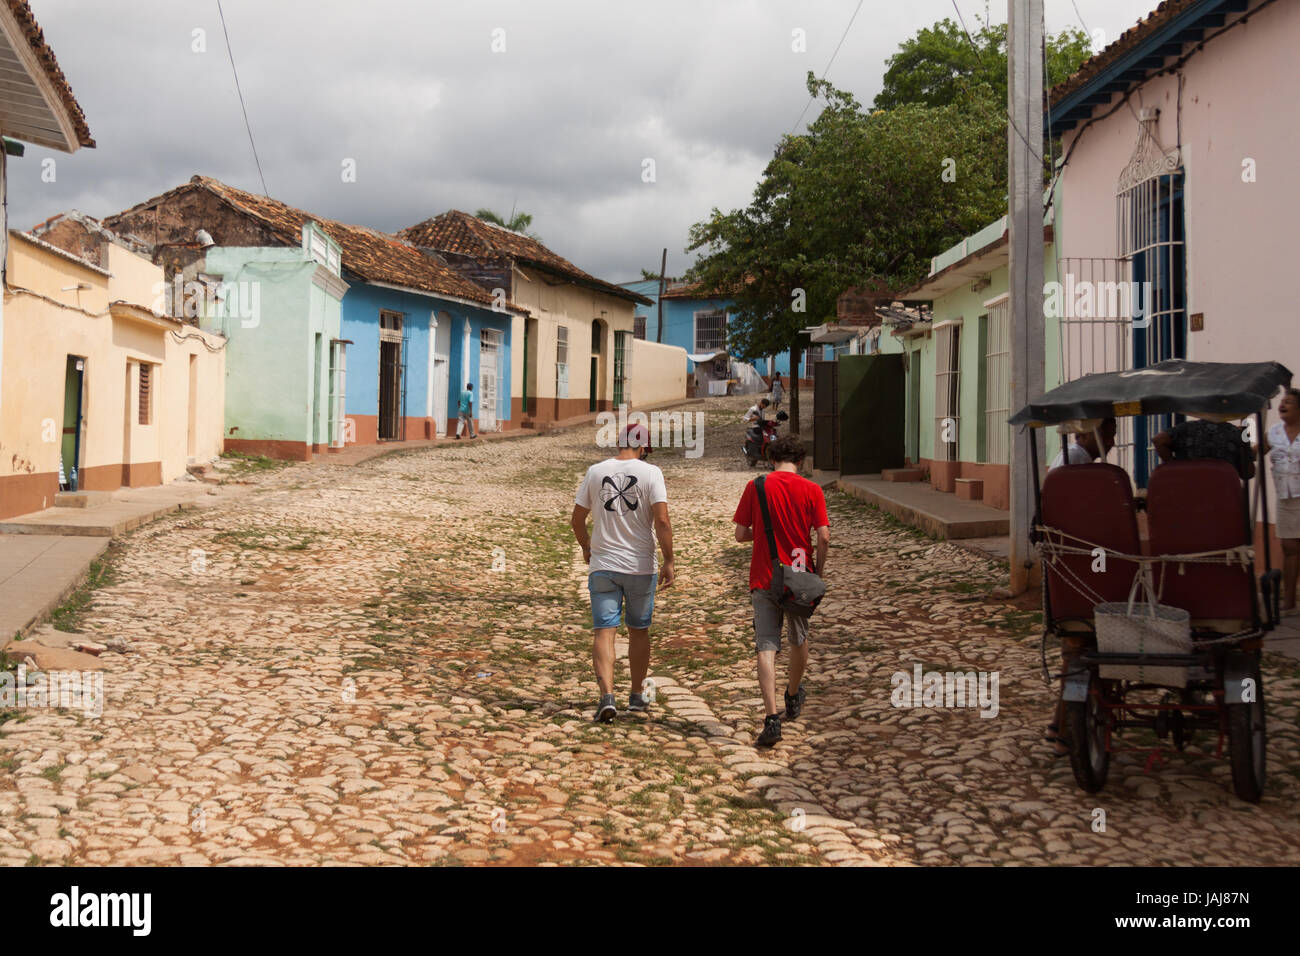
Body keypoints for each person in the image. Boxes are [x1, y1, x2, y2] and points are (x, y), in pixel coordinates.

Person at [571, 423, 675, 722]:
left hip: (604, 565)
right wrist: (668, 560)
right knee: (638, 630)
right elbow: (663, 521)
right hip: (640, 566)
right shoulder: (651, 472)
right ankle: (637, 697)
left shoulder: (594, 472)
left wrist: (586, 546)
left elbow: (577, 520)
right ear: (643, 447)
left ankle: (606, 696)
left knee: (604, 630)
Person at [732, 435, 829, 747]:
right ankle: (792, 693)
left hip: (764, 574)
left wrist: (763, 534)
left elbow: (740, 534)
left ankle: (772, 718)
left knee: (766, 645)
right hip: (799, 574)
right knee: (799, 637)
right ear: (799, 461)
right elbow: (824, 537)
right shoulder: (812, 489)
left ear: (771, 459)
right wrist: (819, 571)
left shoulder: (757, 486)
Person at [1265, 388, 1300, 613]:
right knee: (1289, 547)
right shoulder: (1274, 432)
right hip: (1285, 496)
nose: (1282, 404)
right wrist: (1244, 432)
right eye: (1281, 401)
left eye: (1288, 401)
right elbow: (1253, 449)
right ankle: (1289, 600)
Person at [1154, 418, 1255, 478]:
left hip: (1188, 490)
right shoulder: (1235, 433)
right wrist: (1245, 441)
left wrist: (1173, 466)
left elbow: (1158, 440)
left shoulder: (1186, 428)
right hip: (1223, 496)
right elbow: (1248, 473)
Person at [1047, 416, 1116, 470]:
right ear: (1084, 434)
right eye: (1106, 435)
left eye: (1112, 436)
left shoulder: (1080, 458)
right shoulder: (1073, 457)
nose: (1111, 442)